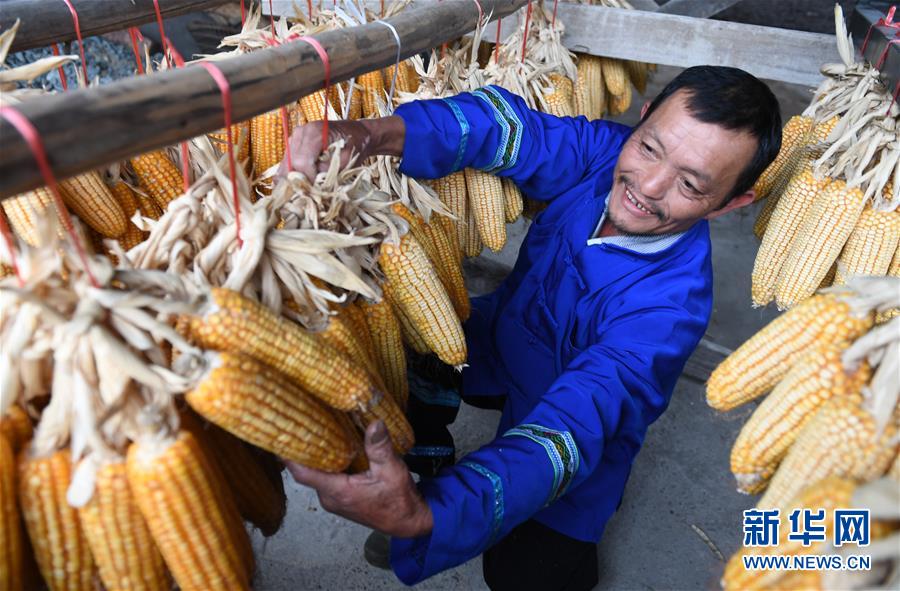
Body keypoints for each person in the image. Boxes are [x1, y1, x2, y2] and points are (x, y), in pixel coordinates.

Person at [280, 65, 781, 590]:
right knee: (398, 348)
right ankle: (425, 465)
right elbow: (507, 129)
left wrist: (428, 517)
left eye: (689, 184)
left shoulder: (669, 310)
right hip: (504, 340)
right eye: (649, 148)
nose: (648, 185)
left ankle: (455, 515)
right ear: (644, 117)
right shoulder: (604, 154)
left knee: (521, 574)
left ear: (731, 203)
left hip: (570, 415)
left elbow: (572, 428)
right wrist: (370, 134)